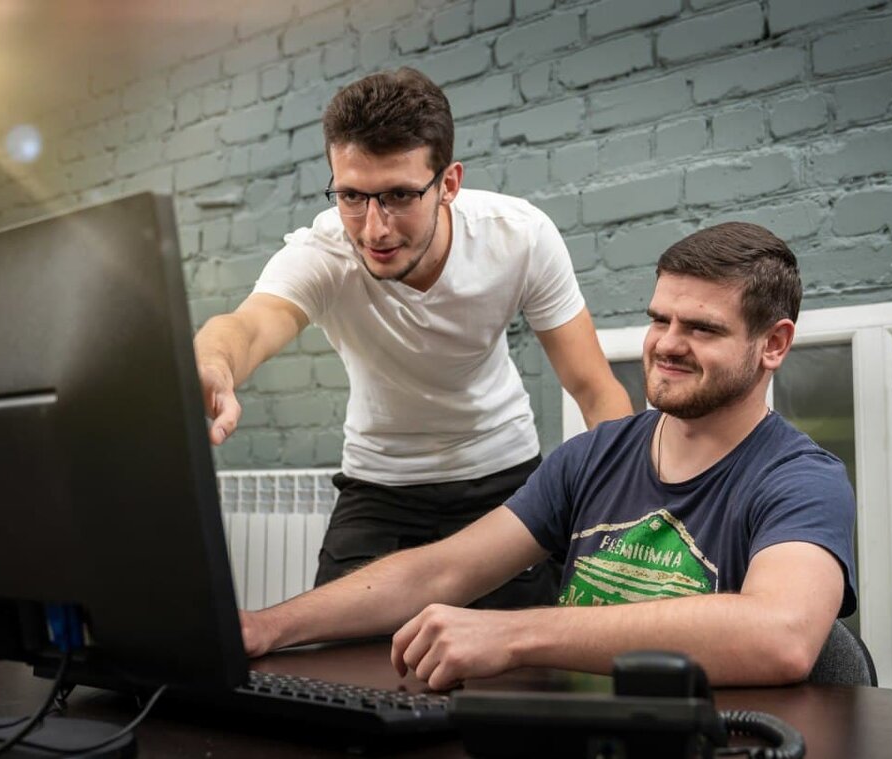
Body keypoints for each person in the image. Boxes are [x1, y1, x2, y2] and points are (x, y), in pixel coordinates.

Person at [237, 221, 858, 689]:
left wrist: (515, 632)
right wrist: (268, 626)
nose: (667, 345)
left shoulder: (801, 479)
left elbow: (782, 636)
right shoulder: (593, 457)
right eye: (660, 320)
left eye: (702, 328)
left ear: (773, 344)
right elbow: (441, 573)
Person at [194, 67, 633, 609]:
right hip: (379, 485)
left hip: (503, 478)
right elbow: (249, 325)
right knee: (330, 654)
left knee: (518, 654)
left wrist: (624, 510)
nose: (374, 228)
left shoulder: (519, 237)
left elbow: (594, 389)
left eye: (399, 195)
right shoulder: (324, 253)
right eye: (351, 195)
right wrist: (214, 363)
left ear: (448, 184)